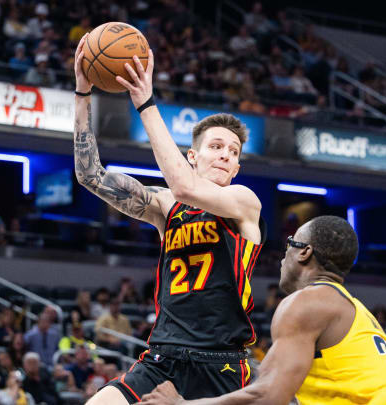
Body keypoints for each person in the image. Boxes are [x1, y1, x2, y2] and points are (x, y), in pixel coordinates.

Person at [73, 34, 265, 405]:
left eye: (233, 151)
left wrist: (144, 102)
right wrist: (82, 94)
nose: (225, 155)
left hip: (221, 362)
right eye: (215, 146)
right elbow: (90, 175)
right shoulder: (165, 205)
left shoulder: (244, 202)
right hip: (163, 356)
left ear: (238, 167)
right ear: (192, 156)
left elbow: (184, 186)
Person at [138, 216, 386, 405]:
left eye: (289, 243)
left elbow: (267, 397)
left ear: (304, 252)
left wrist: (181, 404)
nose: (283, 254)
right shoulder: (353, 310)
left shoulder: (308, 303)